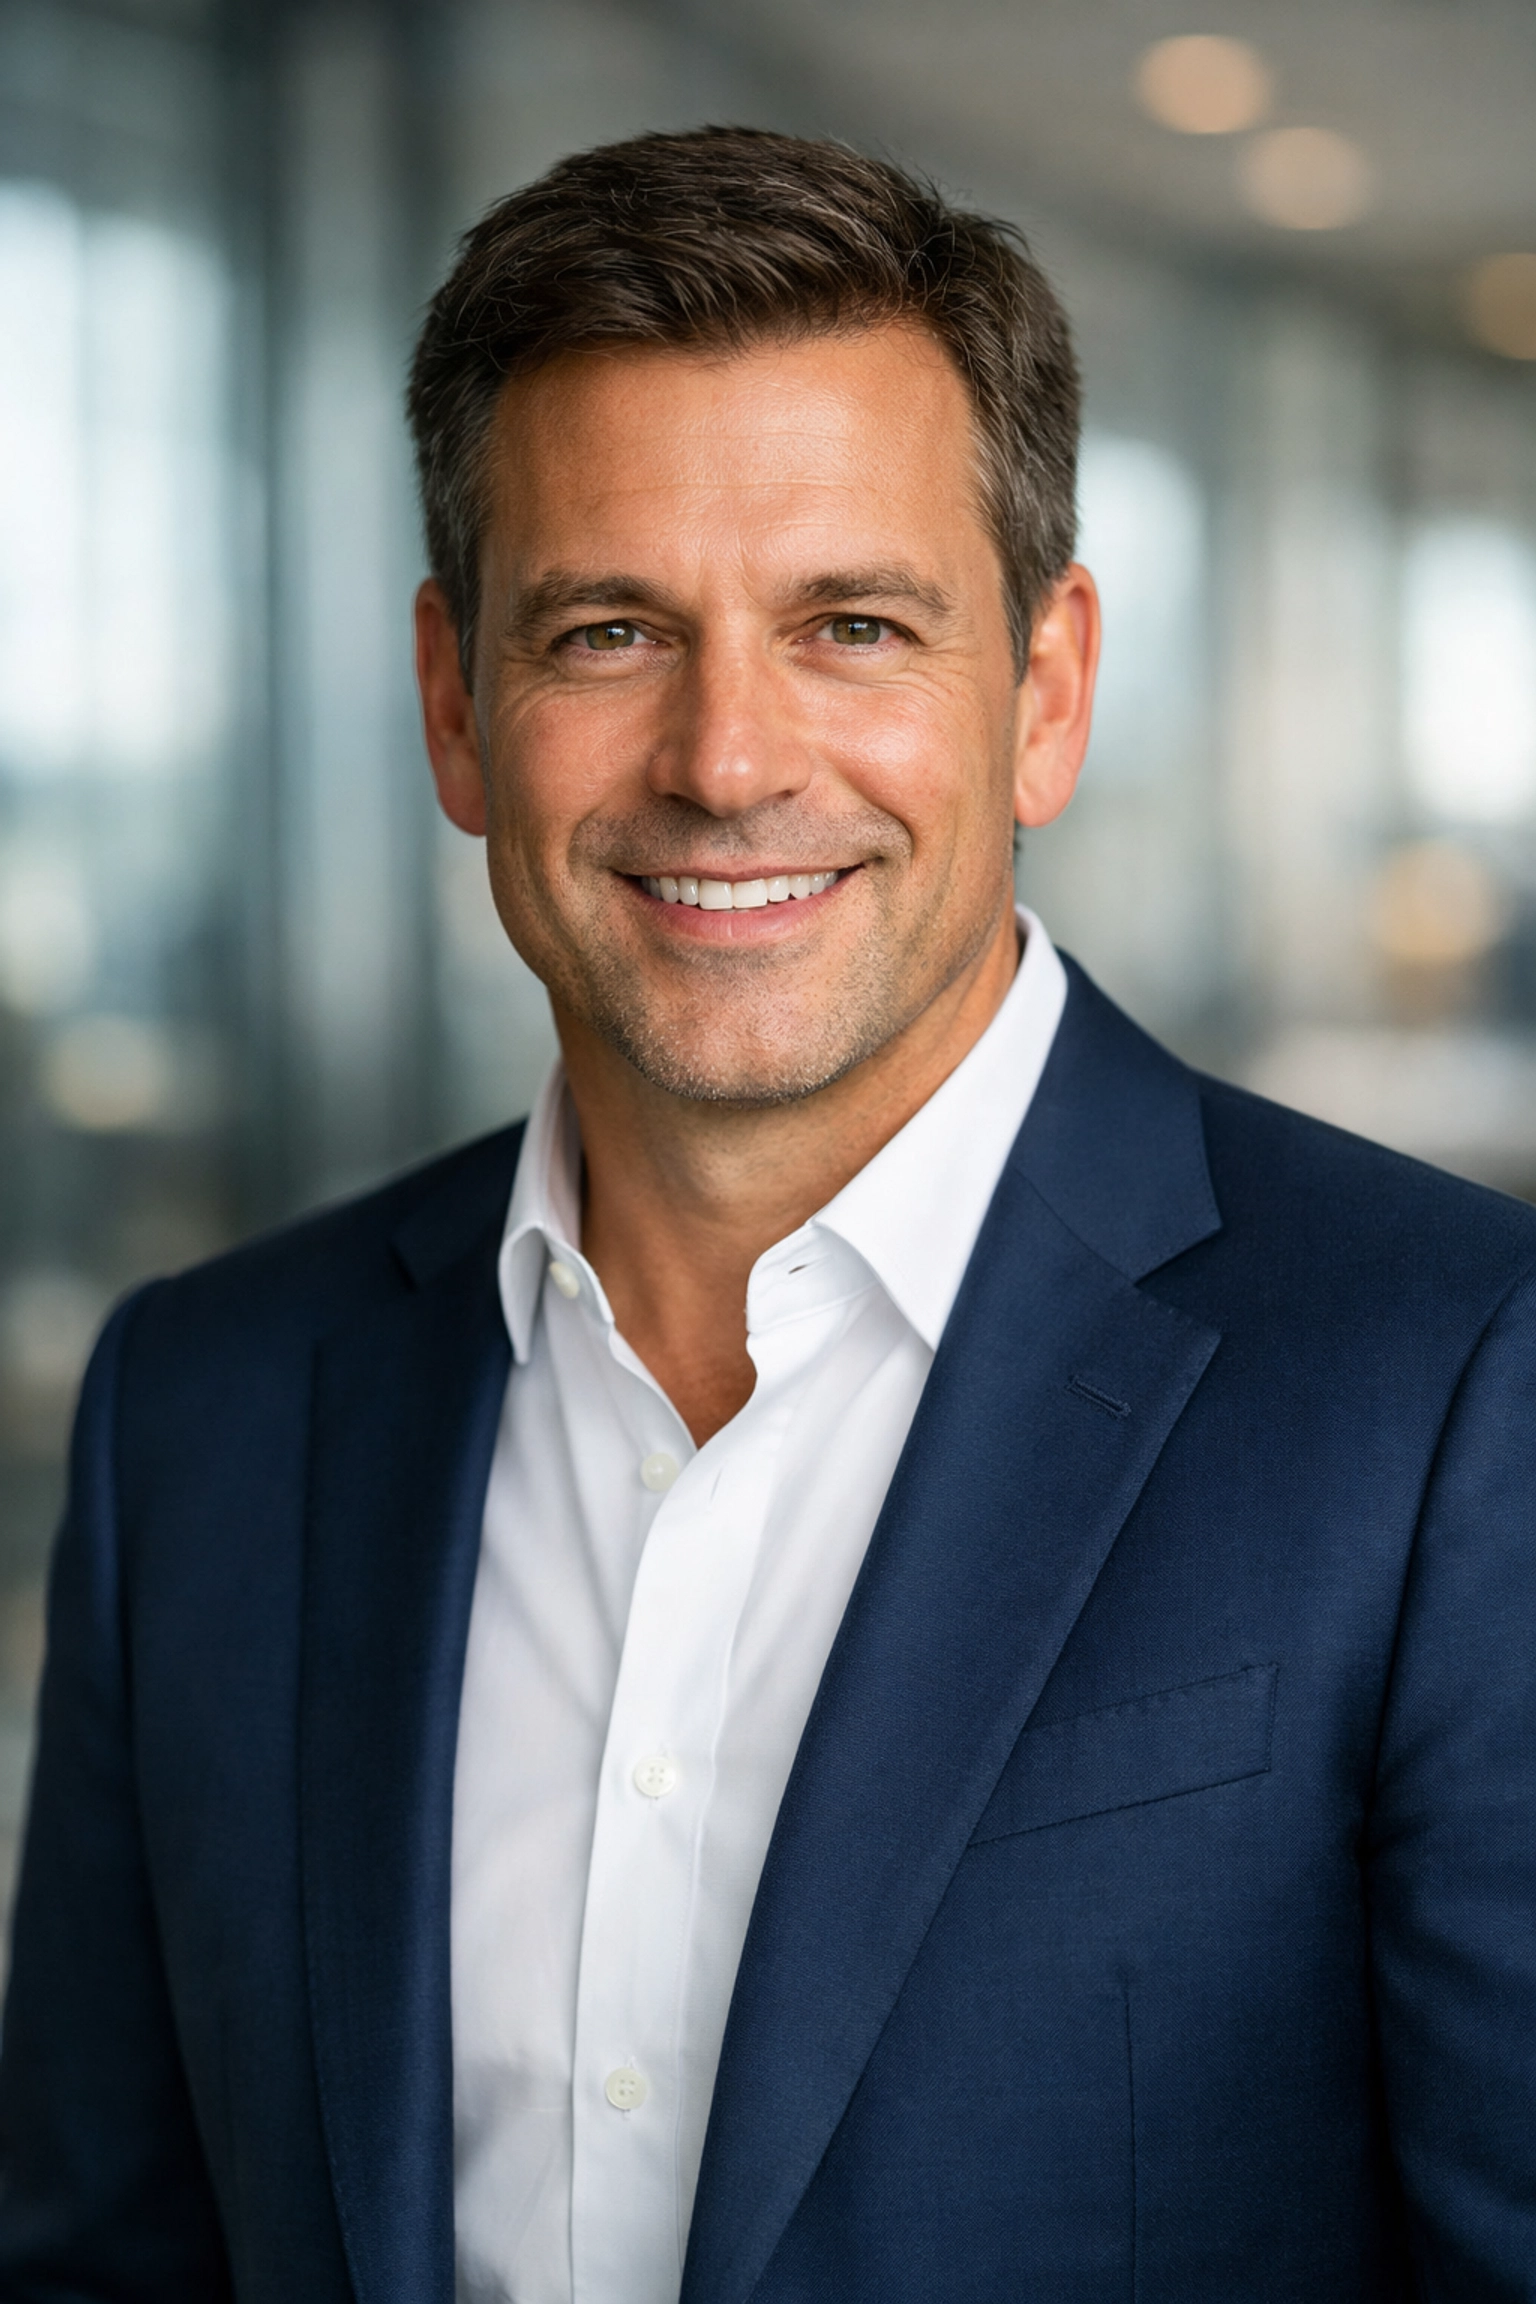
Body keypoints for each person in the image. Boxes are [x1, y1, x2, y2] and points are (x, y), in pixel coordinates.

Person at [1, 123, 1533, 2304]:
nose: (728, 759)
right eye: (610, 630)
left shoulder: (1455, 1382)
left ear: (1048, 689)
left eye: (854, 625)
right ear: (456, 705)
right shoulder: (209, 1410)